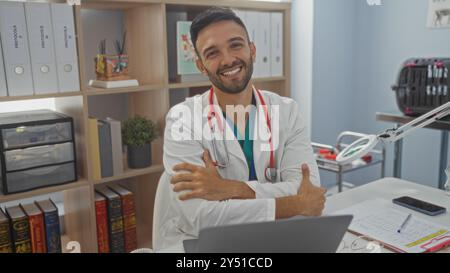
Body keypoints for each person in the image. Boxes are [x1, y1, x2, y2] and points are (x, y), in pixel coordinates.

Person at [153, 7, 326, 252]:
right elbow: (202, 217)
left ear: (252, 50)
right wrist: (294, 204)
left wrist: (230, 189)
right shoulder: (183, 119)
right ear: (201, 66)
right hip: (207, 247)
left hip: (276, 237)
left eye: (236, 45)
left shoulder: (287, 111)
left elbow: (309, 188)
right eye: (212, 53)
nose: (227, 60)